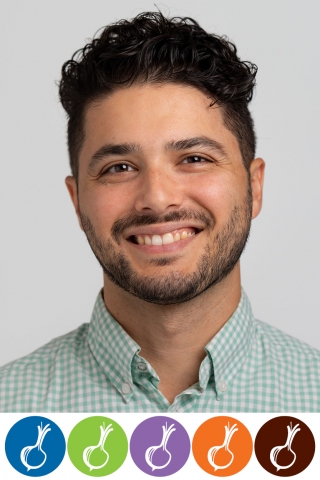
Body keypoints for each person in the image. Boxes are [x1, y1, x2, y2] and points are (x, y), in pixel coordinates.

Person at [1, 11, 319, 413]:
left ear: (254, 187)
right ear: (77, 201)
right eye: (119, 168)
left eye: (194, 158)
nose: (157, 197)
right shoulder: (7, 408)